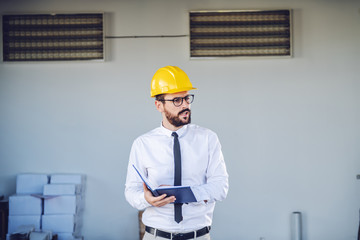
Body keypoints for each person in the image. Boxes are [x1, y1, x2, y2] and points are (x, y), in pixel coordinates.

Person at [125, 66, 229, 240]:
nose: (185, 105)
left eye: (187, 98)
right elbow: (131, 191)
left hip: (198, 236)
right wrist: (147, 199)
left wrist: (189, 194)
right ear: (159, 105)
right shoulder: (143, 144)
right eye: (177, 100)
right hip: (157, 236)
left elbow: (221, 187)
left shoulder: (208, 139)